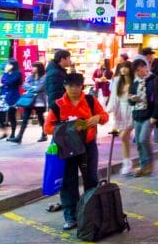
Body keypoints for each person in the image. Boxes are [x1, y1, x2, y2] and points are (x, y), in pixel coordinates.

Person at [44, 72, 109, 230]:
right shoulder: (57, 105)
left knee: (91, 179)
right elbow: (48, 128)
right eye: (70, 86)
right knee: (68, 182)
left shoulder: (90, 100)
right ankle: (71, 216)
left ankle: (91, 212)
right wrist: (67, 128)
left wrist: (98, 119)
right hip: (67, 148)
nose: (74, 89)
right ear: (65, 86)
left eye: (77, 86)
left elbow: (104, 115)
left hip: (87, 146)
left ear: (82, 86)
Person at [129, 59, 158, 177]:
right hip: (137, 114)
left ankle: (149, 164)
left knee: (144, 139)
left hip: (149, 115)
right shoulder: (135, 82)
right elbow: (130, 100)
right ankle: (143, 166)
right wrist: (132, 99)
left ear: (145, 67)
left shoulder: (154, 80)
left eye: (139, 70)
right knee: (138, 142)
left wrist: (155, 116)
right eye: (136, 71)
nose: (138, 73)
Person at [107, 61, 135, 175]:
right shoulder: (117, 81)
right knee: (125, 139)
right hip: (121, 112)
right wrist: (107, 111)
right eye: (121, 67)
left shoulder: (135, 81)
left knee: (123, 136)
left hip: (133, 111)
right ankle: (126, 162)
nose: (123, 69)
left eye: (126, 67)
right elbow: (113, 98)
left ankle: (127, 162)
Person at [11, 62, 47, 144]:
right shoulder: (30, 76)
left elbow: (39, 88)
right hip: (29, 100)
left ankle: (44, 134)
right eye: (33, 67)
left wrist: (32, 88)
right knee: (25, 118)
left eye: (35, 67)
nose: (33, 68)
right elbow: (24, 85)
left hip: (39, 101)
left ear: (39, 68)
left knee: (40, 118)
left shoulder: (44, 78)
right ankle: (19, 136)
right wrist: (33, 88)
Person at [0, 60, 23, 141]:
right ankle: (4, 131)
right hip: (3, 96)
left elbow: (10, 82)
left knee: (11, 115)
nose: (6, 66)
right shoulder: (5, 74)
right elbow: (2, 83)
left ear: (12, 66)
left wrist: (5, 73)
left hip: (13, 97)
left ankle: (12, 133)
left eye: (8, 64)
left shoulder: (17, 74)